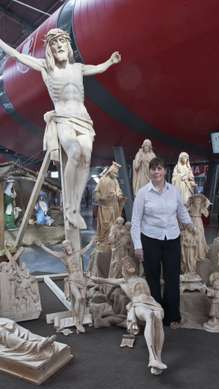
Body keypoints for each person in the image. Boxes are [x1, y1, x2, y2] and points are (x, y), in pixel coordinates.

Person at [0, 29, 121, 229]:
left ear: (68, 46)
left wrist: (110, 61)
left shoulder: (78, 68)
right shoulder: (47, 68)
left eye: (62, 43)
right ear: (50, 50)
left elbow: (97, 68)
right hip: (63, 119)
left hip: (83, 119)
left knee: (86, 159)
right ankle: (68, 204)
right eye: (55, 44)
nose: (59, 47)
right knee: (74, 152)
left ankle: (74, 208)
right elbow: (17, 55)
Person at [131, 157, 194, 327]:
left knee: (172, 277)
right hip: (150, 239)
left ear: (165, 171)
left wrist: (189, 225)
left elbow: (181, 211)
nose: (156, 172)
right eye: (153, 169)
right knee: (152, 277)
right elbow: (136, 220)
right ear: (149, 172)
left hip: (172, 238)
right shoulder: (143, 193)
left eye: (159, 168)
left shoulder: (174, 191)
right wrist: (138, 245)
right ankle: (155, 314)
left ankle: (172, 316)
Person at [89, 255, 167, 375]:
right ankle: (153, 358)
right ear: (123, 269)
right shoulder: (123, 281)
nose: (130, 266)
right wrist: (93, 277)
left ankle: (158, 359)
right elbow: (105, 280)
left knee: (157, 318)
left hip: (152, 302)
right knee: (150, 317)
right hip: (139, 304)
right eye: (126, 265)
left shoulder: (142, 278)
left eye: (131, 263)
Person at [39, 237, 95, 333]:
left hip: (81, 279)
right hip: (73, 279)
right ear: (64, 248)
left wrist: (92, 241)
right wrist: (42, 246)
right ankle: (76, 321)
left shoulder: (77, 253)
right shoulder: (64, 256)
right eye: (65, 246)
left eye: (68, 245)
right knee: (78, 298)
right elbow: (51, 252)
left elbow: (87, 248)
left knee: (83, 300)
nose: (67, 247)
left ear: (71, 246)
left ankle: (80, 323)